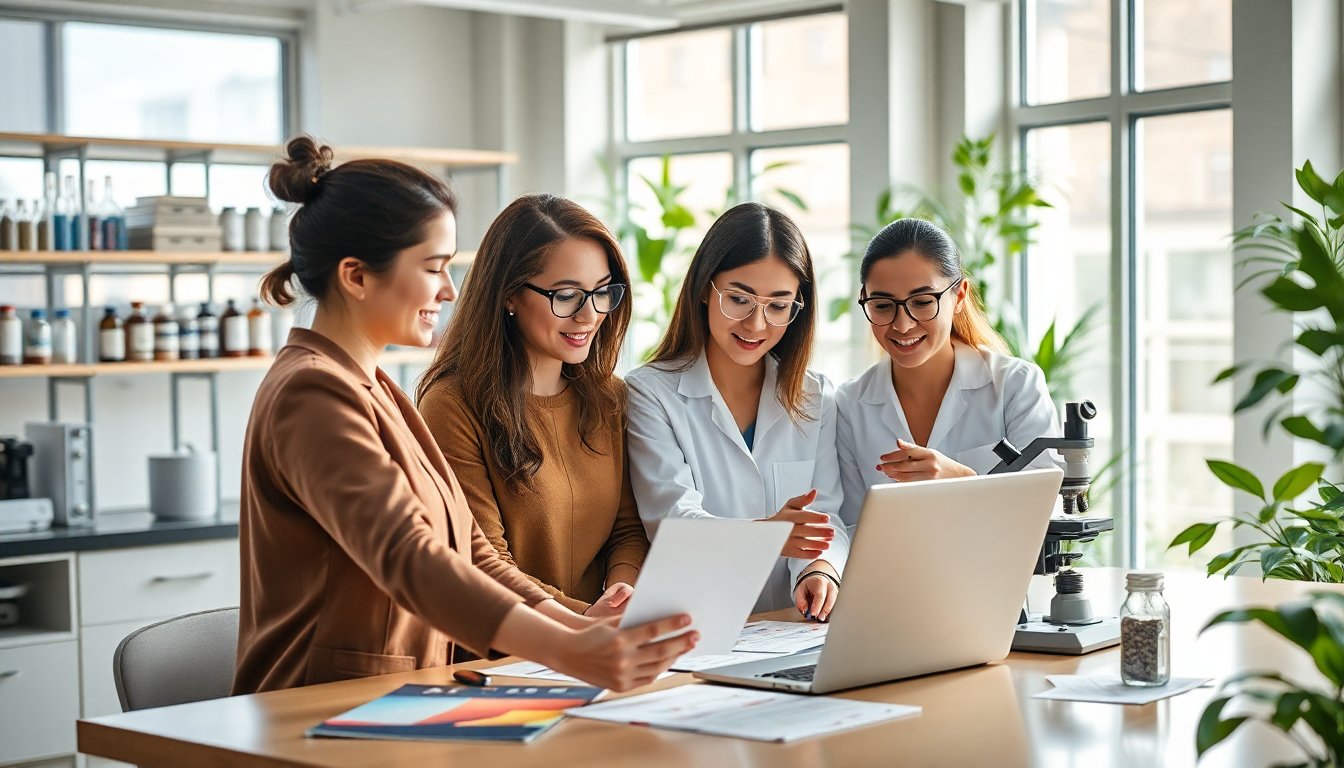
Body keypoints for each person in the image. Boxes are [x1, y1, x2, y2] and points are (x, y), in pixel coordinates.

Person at [232, 136, 694, 695]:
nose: (451, 291)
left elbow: (471, 552)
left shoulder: (377, 387)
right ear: (355, 276)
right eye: (433, 268)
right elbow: (410, 557)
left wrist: (584, 627)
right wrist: (568, 648)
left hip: (398, 695)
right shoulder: (311, 393)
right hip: (320, 703)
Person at [417, 194, 648, 620]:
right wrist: (582, 620)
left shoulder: (609, 398)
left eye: (602, 293)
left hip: (597, 639)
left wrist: (621, 592)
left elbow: (628, 529)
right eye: (566, 295)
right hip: (508, 654)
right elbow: (483, 560)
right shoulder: (451, 405)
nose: (589, 315)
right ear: (509, 295)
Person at [625, 202, 849, 622]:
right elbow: (674, 522)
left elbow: (825, 516)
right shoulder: (650, 392)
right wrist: (770, 535)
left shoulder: (816, 396)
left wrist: (819, 569)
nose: (757, 324)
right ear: (703, 290)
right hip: (697, 627)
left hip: (790, 626)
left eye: (778, 306)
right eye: (739, 299)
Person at [836, 218, 1060, 532]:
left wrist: (962, 480)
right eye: (883, 305)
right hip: (888, 581)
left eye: (923, 302)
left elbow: (1047, 512)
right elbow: (849, 526)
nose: (902, 324)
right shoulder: (849, 404)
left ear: (959, 297)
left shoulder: (1015, 386)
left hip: (998, 579)